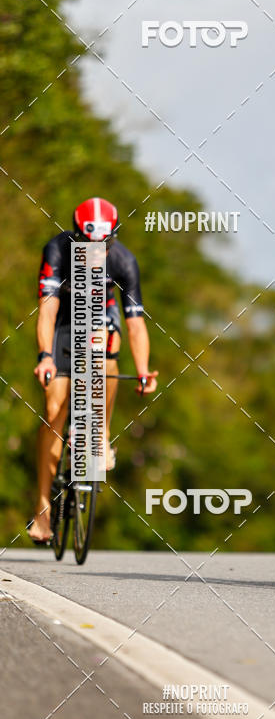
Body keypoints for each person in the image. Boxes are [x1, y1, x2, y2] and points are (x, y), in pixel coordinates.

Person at [28, 197, 158, 544]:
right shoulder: (56, 250)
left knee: (107, 346)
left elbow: (135, 325)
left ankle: (99, 432)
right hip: (64, 322)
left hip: (101, 316)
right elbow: (47, 311)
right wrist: (45, 357)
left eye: (102, 244)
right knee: (54, 409)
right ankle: (43, 508)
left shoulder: (123, 261)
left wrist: (144, 370)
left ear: (112, 239)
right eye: (86, 244)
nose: (94, 251)